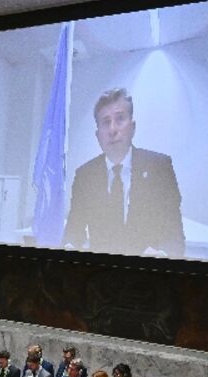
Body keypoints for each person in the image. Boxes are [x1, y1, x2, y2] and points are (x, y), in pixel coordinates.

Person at [63, 87, 185, 257]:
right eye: (105, 122)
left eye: (120, 119)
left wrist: (163, 253)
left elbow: (175, 233)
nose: (112, 129)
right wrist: (68, 247)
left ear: (132, 127)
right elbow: (74, 229)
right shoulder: (85, 176)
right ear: (98, 135)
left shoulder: (159, 168)